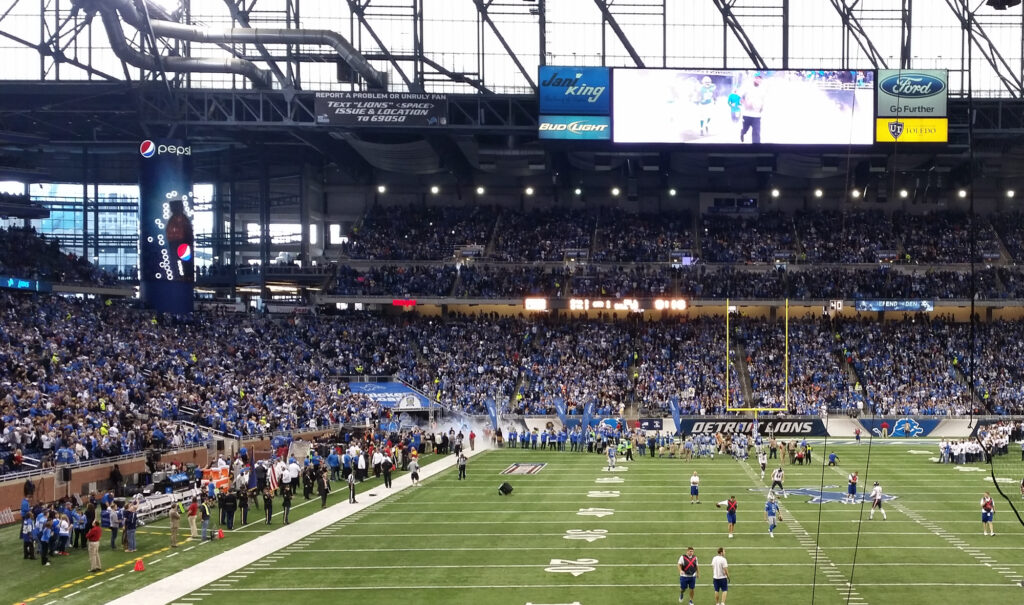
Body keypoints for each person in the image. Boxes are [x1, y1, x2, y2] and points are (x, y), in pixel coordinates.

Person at [739, 75, 764, 144]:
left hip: (757, 115)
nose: (758, 80)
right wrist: (746, 104)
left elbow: (763, 100)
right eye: (757, 78)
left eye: (760, 79)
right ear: (754, 79)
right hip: (747, 114)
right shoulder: (747, 88)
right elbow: (741, 98)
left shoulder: (762, 90)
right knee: (745, 129)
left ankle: (756, 148)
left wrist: (762, 107)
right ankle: (742, 132)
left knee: (756, 132)